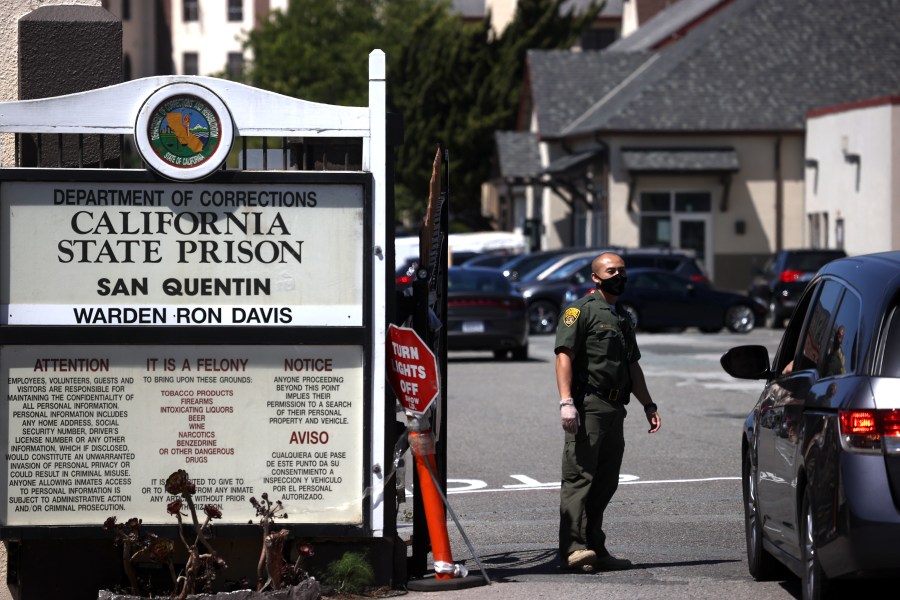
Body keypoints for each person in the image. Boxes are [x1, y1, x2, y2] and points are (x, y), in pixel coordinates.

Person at [554, 251, 661, 572]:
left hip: (617, 406)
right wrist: (566, 402)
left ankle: (594, 548)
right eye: (612, 271)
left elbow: (632, 364)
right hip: (589, 404)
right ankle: (574, 547)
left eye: (622, 271)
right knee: (579, 477)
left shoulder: (622, 316)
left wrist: (648, 404)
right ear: (596, 277)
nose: (619, 276)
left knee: (606, 480)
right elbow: (563, 356)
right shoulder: (579, 311)